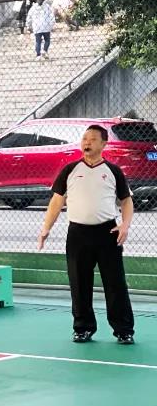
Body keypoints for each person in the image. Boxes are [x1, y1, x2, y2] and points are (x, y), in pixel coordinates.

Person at [38, 125, 135, 344]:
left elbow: (127, 201)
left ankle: (124, 330)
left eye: (92, 139)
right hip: (78, 234)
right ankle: (83, 328)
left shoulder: (113, 171)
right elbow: (56, 201)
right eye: (84, 139)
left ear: (103, 144)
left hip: (108, 233)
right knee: (79, 282)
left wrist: (125, 225)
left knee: (115, 283)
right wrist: (46, 228)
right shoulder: (70, 170)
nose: (87, 142)